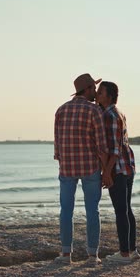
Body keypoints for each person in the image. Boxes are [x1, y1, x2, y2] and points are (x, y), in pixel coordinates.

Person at [54, 73, 108, 264]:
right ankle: (92, 255)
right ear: (86, 90)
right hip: (90, 167)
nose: (95, 92)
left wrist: (62, 161)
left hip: (67, 168)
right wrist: (106, 171)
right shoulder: (94, 111)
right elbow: (101, 145)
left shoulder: (61, 110)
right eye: (93, 88)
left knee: (66, 211)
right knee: (92, 210)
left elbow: (57, 145)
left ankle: (66, 254)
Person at [96, 81, 140, 263]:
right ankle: (132, 250)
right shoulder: (116, 112)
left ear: (109, 96)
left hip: (119, 168)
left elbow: (114, 149)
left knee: (121, 211)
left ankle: (124, 254)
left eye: (100, 92)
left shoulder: (110, 116)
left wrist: (106, 172)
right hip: (128, 166)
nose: (97, 94)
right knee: (127, 209)